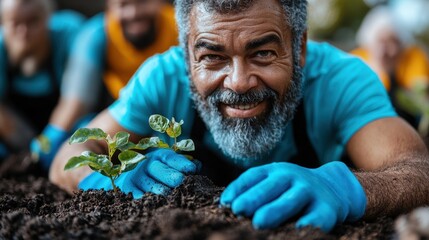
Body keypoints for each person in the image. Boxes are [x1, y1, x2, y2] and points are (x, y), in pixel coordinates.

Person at [50, 0, 429, 233]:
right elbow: (69, 155)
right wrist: (105, 180)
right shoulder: (161, 78)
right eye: (213, 56)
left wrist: (347, 189)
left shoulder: (340, 80)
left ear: (299, 48)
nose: (239, 82)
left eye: (262, 53)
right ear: (186, 55)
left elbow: (416, 168)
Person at [30, 0, 178, 168]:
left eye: (142, 2)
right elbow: (76, 102)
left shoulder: (179, 26)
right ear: (110, 7)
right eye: (123, 5)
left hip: (173, 119)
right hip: (125, 119)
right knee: (82, 129)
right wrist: (48, 140)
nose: (134, 12)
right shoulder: (97, 34)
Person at [0, 0, 84, 170]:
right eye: (15, 23)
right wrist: (27, 151)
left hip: (64, 133)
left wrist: (48, 142)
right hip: (17, 134)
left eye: (33, 21)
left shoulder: (69, 34)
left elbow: (77, 99)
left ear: (48, 18)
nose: (23, 31)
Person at [351, 6, 429, 127]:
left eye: (391, 42)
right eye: (379, 42)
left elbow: (420, 90)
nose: (384, 51)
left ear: (402, 45)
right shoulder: (356, 65)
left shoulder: (413, 59)